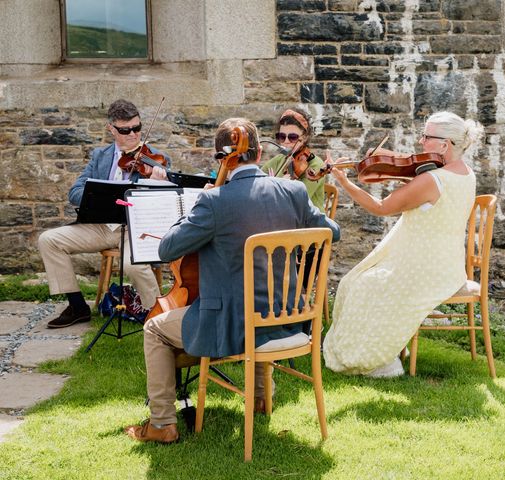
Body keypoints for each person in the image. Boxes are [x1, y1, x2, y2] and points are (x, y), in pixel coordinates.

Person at [125, 117, 340, 444]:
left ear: (223, 157)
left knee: (154, 329)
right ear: (257, 153)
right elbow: (332, 232)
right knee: (252, 297)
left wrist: (200, 202)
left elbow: (168, 248)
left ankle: (161, 423)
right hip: (290, 318)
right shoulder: (294, 191)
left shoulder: (214, 202)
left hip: (233, 326)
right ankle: (260, 397)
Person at [322, 111, 483, 377]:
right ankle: (390, 345)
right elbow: (428, 190)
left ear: (444, 145)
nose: (421, 142)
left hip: (429, 268)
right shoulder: (466, 173)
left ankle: (379, 360)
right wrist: (400, 171)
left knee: (363, 283)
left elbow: (381, 206)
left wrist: (344, 181)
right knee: (365, 281)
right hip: (448, 265)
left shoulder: (433, 180)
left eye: (427, 137)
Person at [38, 99, 170, 328]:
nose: (133, 135)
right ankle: (77, 306)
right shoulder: (100, 156)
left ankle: (158, 317)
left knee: (134, 265)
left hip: (134, 230)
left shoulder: (155, 158)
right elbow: (75, 192)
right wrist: (99, 196)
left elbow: (166, 202)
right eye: (125, 130)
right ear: (111, 128)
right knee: (48, 240)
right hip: (101, 227)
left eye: (137, 128)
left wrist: (158, 183)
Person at [261, 108, 326, 211]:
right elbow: (257, 182)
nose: (286, 141)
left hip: (309, 224)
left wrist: (276, 185)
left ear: (304, 137)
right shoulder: (280, 158)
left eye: (292, 137)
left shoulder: (316, 165)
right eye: (282, 136)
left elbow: (297, 202)